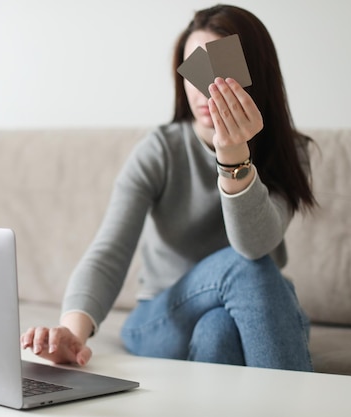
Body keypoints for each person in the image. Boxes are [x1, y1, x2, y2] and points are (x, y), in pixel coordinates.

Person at [21, 4, 316, 371]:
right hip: (164, 315)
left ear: (254, 72)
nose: (205, 87)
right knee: (249, 269)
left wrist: (233, 156)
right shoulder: (161, 149)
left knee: (218, 330)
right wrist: (72, 332)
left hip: (250, 306)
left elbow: (256, 243)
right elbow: (110, 250)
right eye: (195, 67)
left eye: (220, 68)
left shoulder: (291, 151)